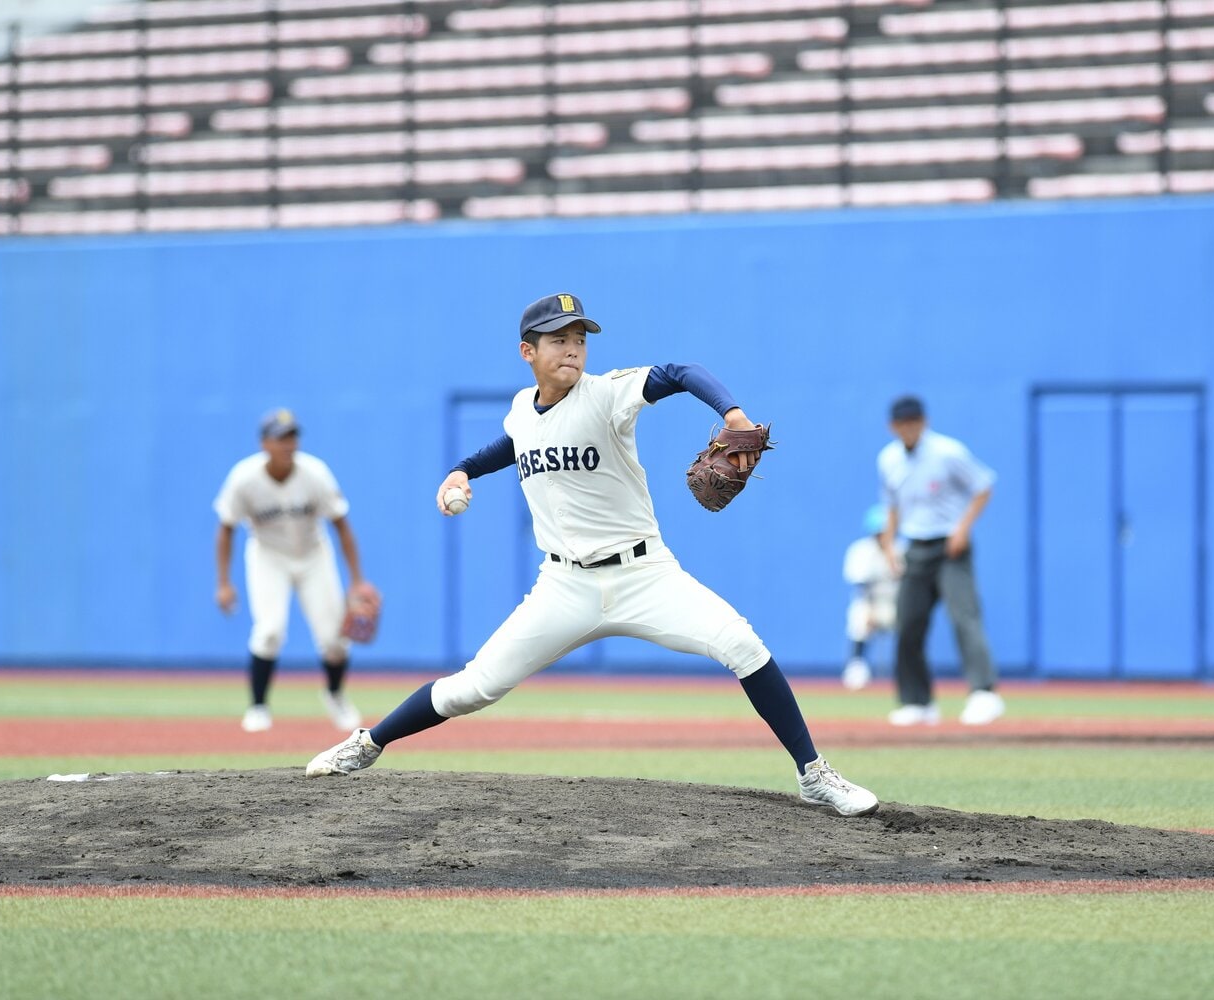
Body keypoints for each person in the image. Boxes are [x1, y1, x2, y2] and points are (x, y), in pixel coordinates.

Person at [305, 292, 879, 817]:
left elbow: (680, 372)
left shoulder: (606, 395)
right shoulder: (521, 409)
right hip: (563, 588)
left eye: (580, 338)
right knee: (473, 687)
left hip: (646, 574)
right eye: (559, 339)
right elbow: (516, 440)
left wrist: (732, 415)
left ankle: (814, 774)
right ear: (528, 352)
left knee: (742, 644)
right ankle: (367, 743)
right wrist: (463, 470)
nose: (573, 349)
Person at [214, 408, 378, 733]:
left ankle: (335, 695)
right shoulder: (244, 478)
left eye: (292, 437)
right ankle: (258, 707)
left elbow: (342, 526)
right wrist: (223, 582)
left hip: (314, 554)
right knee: (269, 631)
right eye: (281, 438)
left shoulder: (315, 473)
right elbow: (226, 529)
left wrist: (357, 580)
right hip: (268, 555)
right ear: (264, 443)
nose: (289, 444)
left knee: (334, 640)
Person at [877, 395, 1003, 726]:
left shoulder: (948, 452)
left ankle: (984, 693)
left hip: (950, 546)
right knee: (908, 623)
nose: (909, 428)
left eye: (914, 422)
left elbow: (984, 485)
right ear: (893, 427)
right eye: (903, 423)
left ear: (925, 422)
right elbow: (891, 505)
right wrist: (889, 545)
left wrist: (963, 529)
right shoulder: (888, 459)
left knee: (964, 616)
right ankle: (917, 702)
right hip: (915, 546)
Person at [840, 504, 903, 691]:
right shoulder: (861, 551)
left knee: (912, 619)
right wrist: (870, 611)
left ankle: (907, 669)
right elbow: (860, 586)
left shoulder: (902, 550)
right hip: (870, 604)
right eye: (880, 533)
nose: (883, 536)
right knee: (859, 615)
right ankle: (857, 665)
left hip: (896, 604)